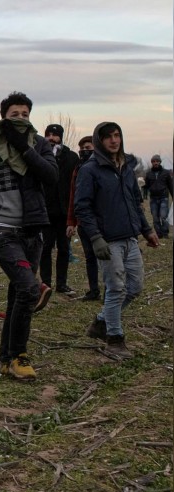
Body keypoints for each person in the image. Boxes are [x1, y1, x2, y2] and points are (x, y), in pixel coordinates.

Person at [0, 91, 58, 380]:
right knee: (27, 288)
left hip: (32, 230)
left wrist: (24, 149)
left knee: (17, 297)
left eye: (25, 114)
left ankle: (7, 359)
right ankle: (21, 354)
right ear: (4, 117)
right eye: (15, 114)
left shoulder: (38, 144)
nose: (21, 119)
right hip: (2, 230)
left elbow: (51, 176)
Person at [75, 122, 160, 359]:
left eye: (117, 136)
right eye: (108, 137)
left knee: (135, 288)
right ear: (99, 140)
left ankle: (102, 320)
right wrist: (95, 238)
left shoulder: (125, 168)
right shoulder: (90, 170)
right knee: (116, 289)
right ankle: (114, 340)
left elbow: (135, 202)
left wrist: (147, 230)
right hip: (108, 240)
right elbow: (82, 207)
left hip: (130, 238)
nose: (114, 140)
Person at [39, 124, 79, 296]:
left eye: (54, 135)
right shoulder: (40, 155)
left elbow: (76, 185)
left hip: (64, 212)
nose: (51, 138)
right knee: (45, 249)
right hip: (45, 211)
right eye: (48, 135)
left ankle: (61, 283)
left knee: (64, 249)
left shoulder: (71, 157)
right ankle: (45, 283)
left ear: (61, 137)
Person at [66, 136, 102, 300]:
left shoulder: (102, 167)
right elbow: (74, 197)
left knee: (105, 257)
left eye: (88, 147)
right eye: (81, 148)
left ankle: (110, 289)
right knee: (90, 257)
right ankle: (93, 290)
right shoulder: (78, 169)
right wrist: (71, 222)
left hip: (101, 220)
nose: (84, 151)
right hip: (83, 221)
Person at [145, 154, 173, 239]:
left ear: (160, 162)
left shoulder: (166, 173)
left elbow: (170, 185)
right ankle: (159, 234)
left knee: (163, 216)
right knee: (155, 218)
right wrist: (144, 196)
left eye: (157, 161)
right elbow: (147, 186)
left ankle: (165, 234)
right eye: (153, 161)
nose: (155, 163)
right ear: (152, 163)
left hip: (164, 197)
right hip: (153, 198)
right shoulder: (148, 173)